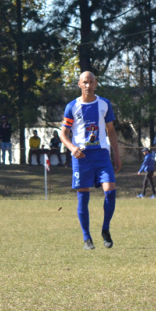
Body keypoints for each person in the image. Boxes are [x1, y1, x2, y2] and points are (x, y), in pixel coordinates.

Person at [59, 71, 121, 250]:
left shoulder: (104, 104)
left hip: (101, 154)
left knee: (110, 191)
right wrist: (72, 148)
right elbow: (63, 133)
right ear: (79, 84)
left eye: (91, 82)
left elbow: (111, 131)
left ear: (95, 84)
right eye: (84, 82)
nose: (88, 85)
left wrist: (116, 154)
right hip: (82, 157)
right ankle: (87, 237)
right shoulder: (72, 106)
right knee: (83, 197)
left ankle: (105, 229)